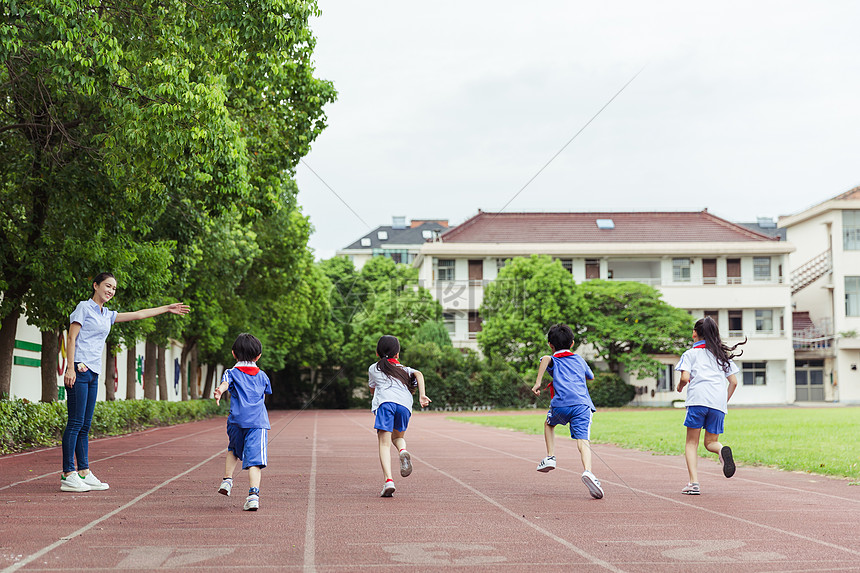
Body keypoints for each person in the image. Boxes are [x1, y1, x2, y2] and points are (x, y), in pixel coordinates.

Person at [62, 272, 190, 492]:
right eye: (107, 286)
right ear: (95, 286)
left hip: (93, 372)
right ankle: (68, 474)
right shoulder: (83, 308)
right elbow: (71, 338)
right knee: (75, 423)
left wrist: (166, 308)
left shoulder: (107, 314)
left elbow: (139, 315)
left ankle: (83, 471)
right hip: (80, 370)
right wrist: (70, 368)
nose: (111, 291)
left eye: (114, 288)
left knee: (85, 424)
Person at [532, 323, 604, 499]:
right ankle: (588, 472)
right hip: (581, 405)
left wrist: (538, 382)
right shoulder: (579, 359)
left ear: (550, 344)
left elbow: (545, 359)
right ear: (572, 343)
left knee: (549, 424)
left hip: (560, 405)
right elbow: (591, 376)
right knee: (583, 441)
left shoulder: (552, 359)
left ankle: (550, 457)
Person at [675, 316, 746, 495]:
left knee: (691, 443)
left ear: (695, 333)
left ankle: (694, 484)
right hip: (717, 403)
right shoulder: (721, 355)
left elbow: (684, 378)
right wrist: (723, 401)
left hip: (698, 400)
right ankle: (722, 450)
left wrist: (680, 386)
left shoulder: (690, 354)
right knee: (711, 443)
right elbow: (734, 382)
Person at [214, 333, 272, 511]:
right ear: (258, 356)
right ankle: (253, 496)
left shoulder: (231, 372)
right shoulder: (263, 376)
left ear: (233, 354)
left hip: (236, 421)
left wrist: (220, 391)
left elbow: (224, 384)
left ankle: (227, 480)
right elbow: (266, 391)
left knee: (233, 450)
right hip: (257, 423)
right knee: (255, 461)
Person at [369, 335, 431, 497]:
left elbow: (373, 390)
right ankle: (403, 450)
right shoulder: (405, 369)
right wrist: (422, 395)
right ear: (397, 354)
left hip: (386, 403)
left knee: (384, 444)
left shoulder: (373, 368)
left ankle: (389, 481)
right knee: (397, 438)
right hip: (404, 405)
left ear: (377, 352)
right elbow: (419, 373)